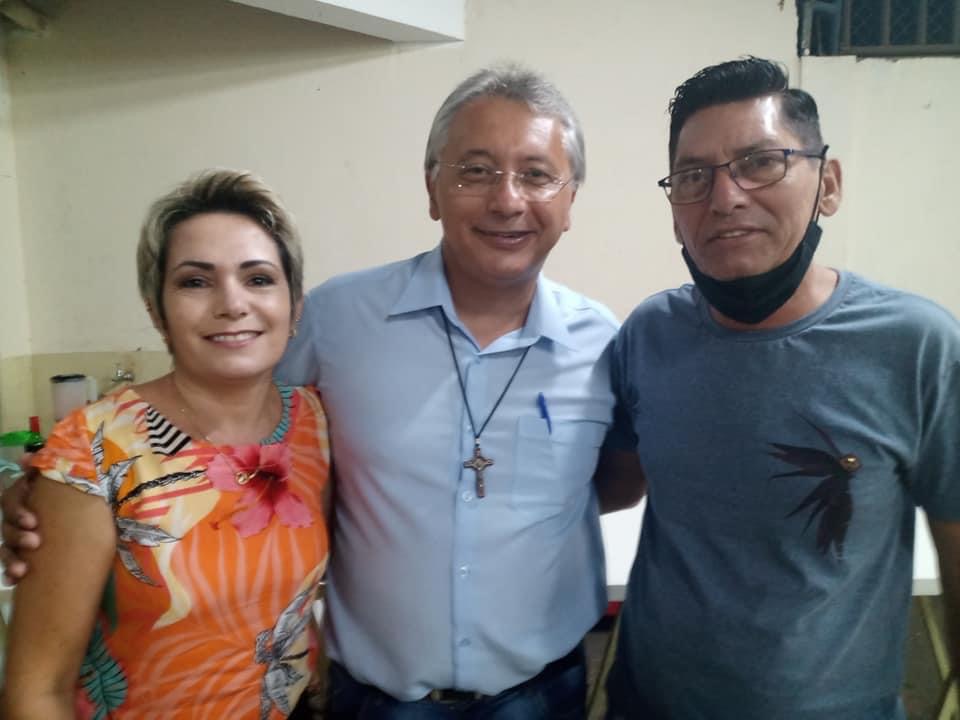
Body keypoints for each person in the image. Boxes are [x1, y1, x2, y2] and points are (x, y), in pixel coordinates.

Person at [2, 66, 641, 718]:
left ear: (570, 199)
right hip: (374, 699)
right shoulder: (337, 320)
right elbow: (229, 424)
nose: (507, 199)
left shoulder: (605, 344)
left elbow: (617, 482)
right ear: (431, 189)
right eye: (475, 171)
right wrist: (52, 492)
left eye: (536, 174)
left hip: (542, 693)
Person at [602, 57, 960, 719]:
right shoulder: (649, 336)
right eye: (693, 176)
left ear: (829, 183)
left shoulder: (917, 347)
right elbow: (614, 484)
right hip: (649, 702)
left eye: (761, 162)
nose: (725, 197)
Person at [0, 169, 331, 719]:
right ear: (156, 311)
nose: (232, 304)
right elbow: (38, 689)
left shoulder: (314, 424)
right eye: (195, 282)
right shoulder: (94, 449)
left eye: (258, 278)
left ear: (295, 306)